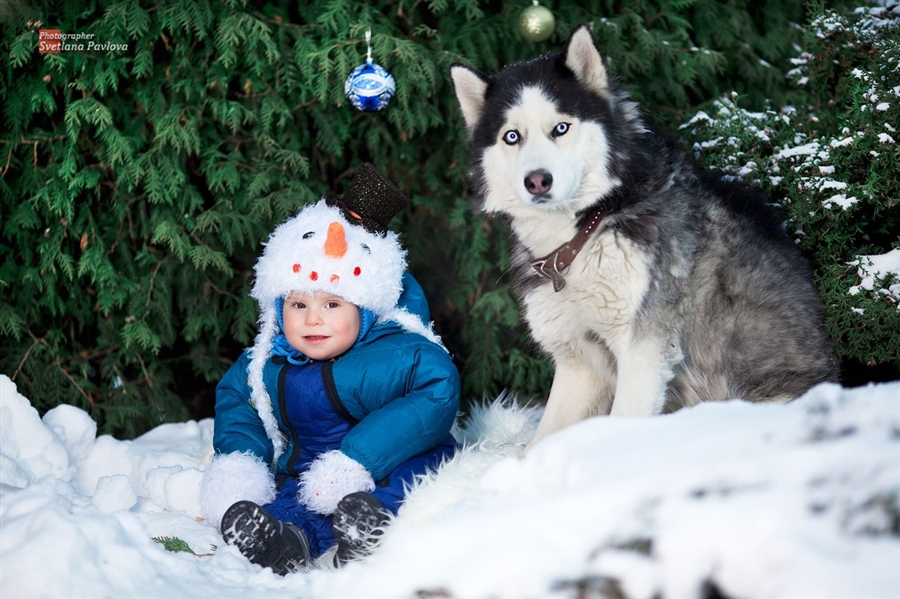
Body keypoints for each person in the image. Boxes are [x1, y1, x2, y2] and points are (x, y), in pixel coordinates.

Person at [199, 164, 459, 574]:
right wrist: (242, 461)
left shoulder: (396, 355)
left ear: (366, 309)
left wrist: (358, 460)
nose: (312, 319)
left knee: (408, 478)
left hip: (393, 456)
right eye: (298, 304)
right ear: (278, 309)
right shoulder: (267, 362)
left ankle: (367, 529)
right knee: (296, 496)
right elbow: (237, 400)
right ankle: (284, 540)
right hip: (311, 467)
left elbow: (437, 391)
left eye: (332, 304)